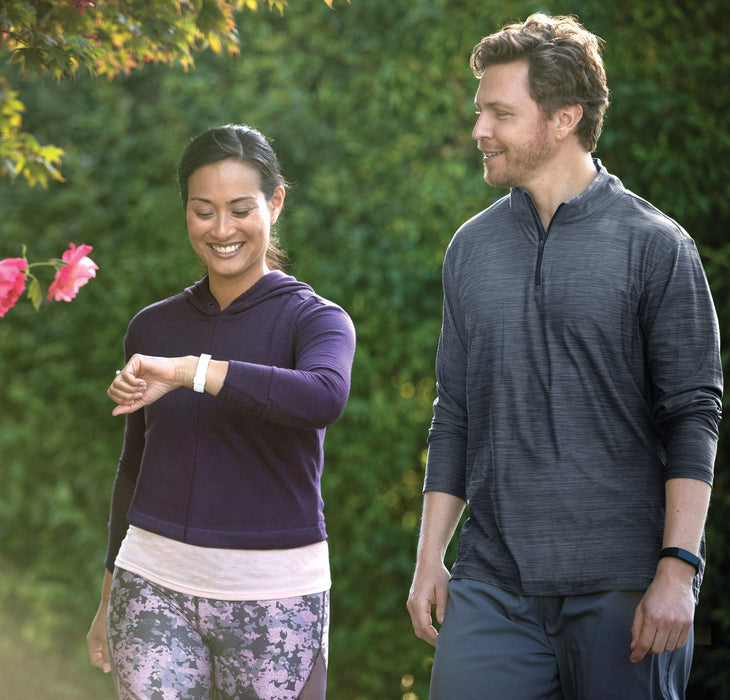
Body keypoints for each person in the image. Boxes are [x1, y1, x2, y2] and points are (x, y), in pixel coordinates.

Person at [406, 13, 722, 700]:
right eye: (480, 111)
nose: (479, 130)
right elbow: (453, 411)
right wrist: (430, 558)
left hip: (623, 584)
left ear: (564, 119)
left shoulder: (656, 246)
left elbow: (692, 414)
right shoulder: (471, 249)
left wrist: (678, 567)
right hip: (492, 581)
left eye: (500, 113)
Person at [86, 124, 355, 699]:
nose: (222, 230)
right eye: (203, 211)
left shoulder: (316, 320)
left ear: (275, 203)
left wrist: (192, 371)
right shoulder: (152, 327)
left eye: (241, 209)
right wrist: (108, 596)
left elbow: (322, 396)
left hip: (277, 596)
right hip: (151, 586)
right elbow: (133, 467)